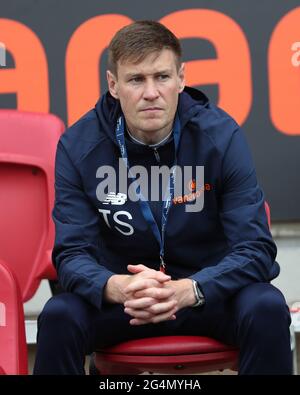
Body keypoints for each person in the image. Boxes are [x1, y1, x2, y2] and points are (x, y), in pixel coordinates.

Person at [33, 20, 292, 375]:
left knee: (266, 306)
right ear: (114, 85)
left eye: (162, 77)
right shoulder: (79, 146)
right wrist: (117, 287)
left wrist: (192, 289)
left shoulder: (221, 136)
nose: (151, 92)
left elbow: (256, 249)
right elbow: (71, 254)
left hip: (205, 295)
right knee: (60, 314)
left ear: (181, 79)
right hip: (125, 300)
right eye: (136, 79)